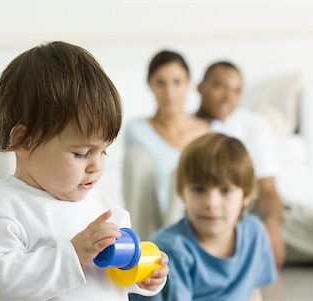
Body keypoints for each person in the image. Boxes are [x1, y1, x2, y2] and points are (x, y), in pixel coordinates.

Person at [0, 41, 168, 301]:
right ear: (24, 141)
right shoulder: (2, 206)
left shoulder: (104, 209)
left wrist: (142, 274)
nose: (97, 166)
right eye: (81, 153)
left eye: (103, 151)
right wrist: (74, 255)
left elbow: (114, 278)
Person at [131, 133, 277, 301]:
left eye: (225, 190)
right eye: (199, 189)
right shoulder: (173, 248)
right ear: (182, 192)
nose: (211, 203)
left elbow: (253, 293)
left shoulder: (255, 233)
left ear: (247, 195)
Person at [123, 50, 222, 240]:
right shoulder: (136, 129)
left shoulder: (209, 132)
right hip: (149, 221)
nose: (169, 91)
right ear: (150, 85)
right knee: (136, 157)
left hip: (190, 220)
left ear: (188, 83)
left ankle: (172, 249)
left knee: (183, 170)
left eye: (177, 82)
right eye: (160, 82)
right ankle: (141, 249)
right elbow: (138, 181)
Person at [196, 61, 285, 268]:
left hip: (253, 209)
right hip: (209, 214)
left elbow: (268, 190)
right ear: (201, 88)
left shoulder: (253, 125)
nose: (229, 97)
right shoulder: (187, 127)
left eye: (236, 91)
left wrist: (272, 228)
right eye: (220, 87)